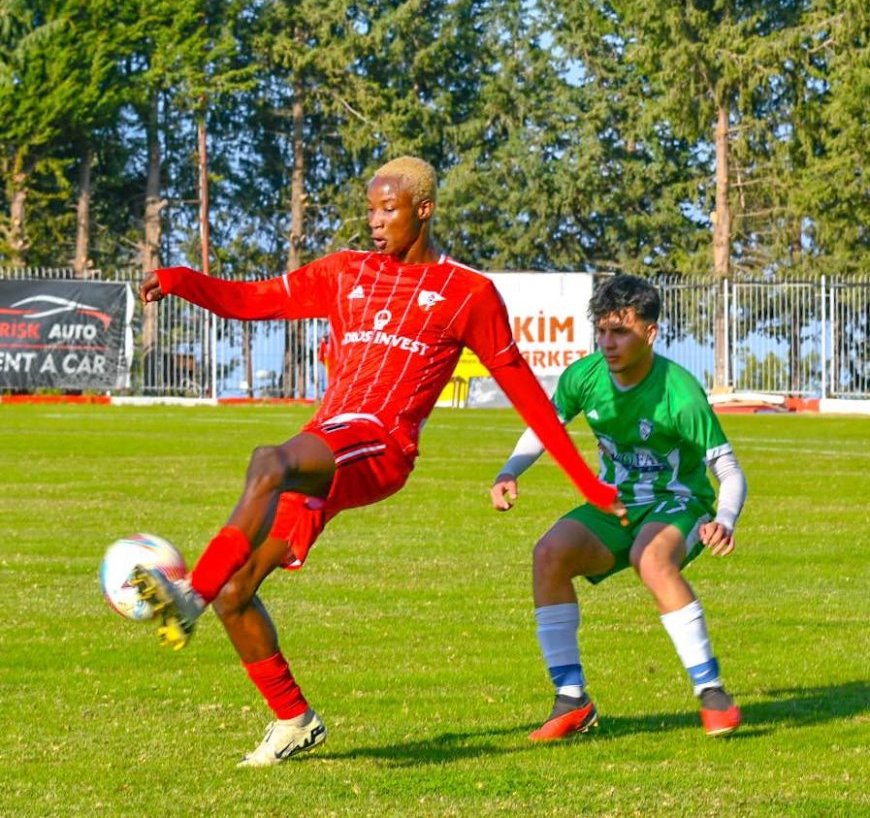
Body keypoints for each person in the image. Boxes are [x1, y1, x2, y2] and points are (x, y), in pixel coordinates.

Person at [133, 156, 624, 767]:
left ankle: (188, 596)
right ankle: (292, 717)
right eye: (369, 208)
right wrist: (183, 280)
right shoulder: (345, 273)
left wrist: (590, 484)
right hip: (326, 444)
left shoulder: (467, 293)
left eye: (387, 209)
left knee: (266, 461)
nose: (374, 221)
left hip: (380, 448)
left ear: (424, 209)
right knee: (239, 590)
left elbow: (531, 397)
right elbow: (252, 300)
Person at [490, 274, 747, 741]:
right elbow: (544, 427)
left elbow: (730, 472)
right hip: (615, 504)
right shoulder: (584, 377)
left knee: (650, 559)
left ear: (650, 332)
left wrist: (725, 520)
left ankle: (712, 692)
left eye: (621, 331)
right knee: (548, 554)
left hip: (679, 503)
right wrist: (509, 471)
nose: (608, 343)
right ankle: (571, 698)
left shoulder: (680, 392)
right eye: (603, 330)